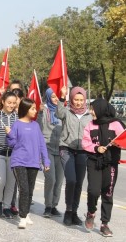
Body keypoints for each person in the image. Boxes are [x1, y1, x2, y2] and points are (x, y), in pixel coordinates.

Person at [82, 98, 125, 237]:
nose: (91, 112)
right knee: (93, 191)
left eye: (93, 109)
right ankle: (91, 212)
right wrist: (96, 148)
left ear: (101, 109)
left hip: (111, 162)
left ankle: (104, 224)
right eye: (90, 108)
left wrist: (118, 144)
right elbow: (85, 143)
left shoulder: (116, 124)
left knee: (108, 193)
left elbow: (124, 140)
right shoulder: (90, 125)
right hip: (94, 161)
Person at [6, 98, 50, 229]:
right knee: (24, 189)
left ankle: (26, 212)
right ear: (25, 109)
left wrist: (45, 161)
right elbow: (12, 144)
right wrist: (9, 134)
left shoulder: (36, 125)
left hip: (33, 162)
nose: (35, 110)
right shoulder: (17, 124)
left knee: (30, 190)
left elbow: (42, 144)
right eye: (33, 108)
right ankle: (23, 217)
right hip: (19, 161)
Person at [56, 86, 92, 226]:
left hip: (83, 152)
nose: (78, 102)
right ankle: (68, 211)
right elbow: (58, 113)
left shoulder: (89, 116)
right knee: (71, 180)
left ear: (84, 100)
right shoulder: (66, 112)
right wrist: (61, 97)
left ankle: (75, 212)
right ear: (71, 99)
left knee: (78, 183)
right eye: (76, 99)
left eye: (81, 100)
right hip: (66, 149)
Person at [0, 91, 18, 218]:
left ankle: (7, 206)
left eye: (14, 103)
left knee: (11, 183)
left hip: (13, 154)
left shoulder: (18, 118)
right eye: (9, 102)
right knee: (0, 181)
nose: (11, 105)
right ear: (3, 102)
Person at [38, 88, 63, 218]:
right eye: (53, 97)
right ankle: (47, 206)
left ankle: (54, 205)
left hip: (61, 149)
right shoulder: (43, 110)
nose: (56, 99)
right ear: (48, 97)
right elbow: (38, 126)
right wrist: (40, 113)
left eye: (57, 97)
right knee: (51, 179)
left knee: (59, 181)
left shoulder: (62, 111)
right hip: (47, 147)